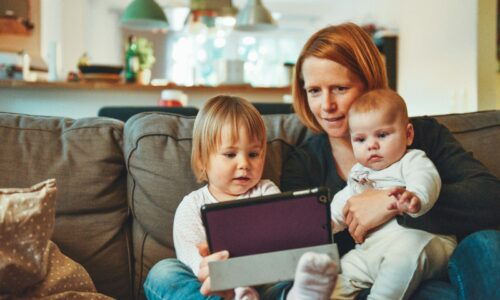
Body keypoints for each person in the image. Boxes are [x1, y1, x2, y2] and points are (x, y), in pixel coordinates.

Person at [281, 22, 500, 299]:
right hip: (361, 279)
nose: (326, 106)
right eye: (314, 91)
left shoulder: (423, 136)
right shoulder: (302, 163)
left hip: (434, 261)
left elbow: (491, 198)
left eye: (339, 88)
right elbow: (298, 244)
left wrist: (391, 203)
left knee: (488, 243)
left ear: (368, 84)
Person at [143, 95, 338, 300]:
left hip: (263, 285)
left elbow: (281, 244)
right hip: (214, 287)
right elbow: (192, 261)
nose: (244, 164)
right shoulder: (191, 205)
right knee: (163, 272)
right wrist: (213, 269)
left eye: (253, 154)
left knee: (289, 280)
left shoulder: (267, 192)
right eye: (230, 154)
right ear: (202, 160)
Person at [330, 89, 456, 299]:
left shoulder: (412, 160)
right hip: (370, 252)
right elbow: (343, 203)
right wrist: (326, 223)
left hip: (422, 243)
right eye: (360, 139)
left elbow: (426, 179)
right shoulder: (358, 174)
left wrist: (415, 197)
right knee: (333, 279)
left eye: (382, 135)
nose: (372, 145)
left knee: (404, 254)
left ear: (408, 134)